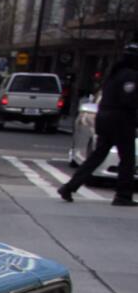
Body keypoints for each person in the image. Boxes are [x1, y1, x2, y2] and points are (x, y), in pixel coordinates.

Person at [58, 43, 137, 207]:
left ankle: (70, 187)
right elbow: (128, 100)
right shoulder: (130, 76)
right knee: (127, 160)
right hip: (121, 120)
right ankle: (123, 195)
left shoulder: (114, 74)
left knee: (97, 156)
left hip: (106, 118)